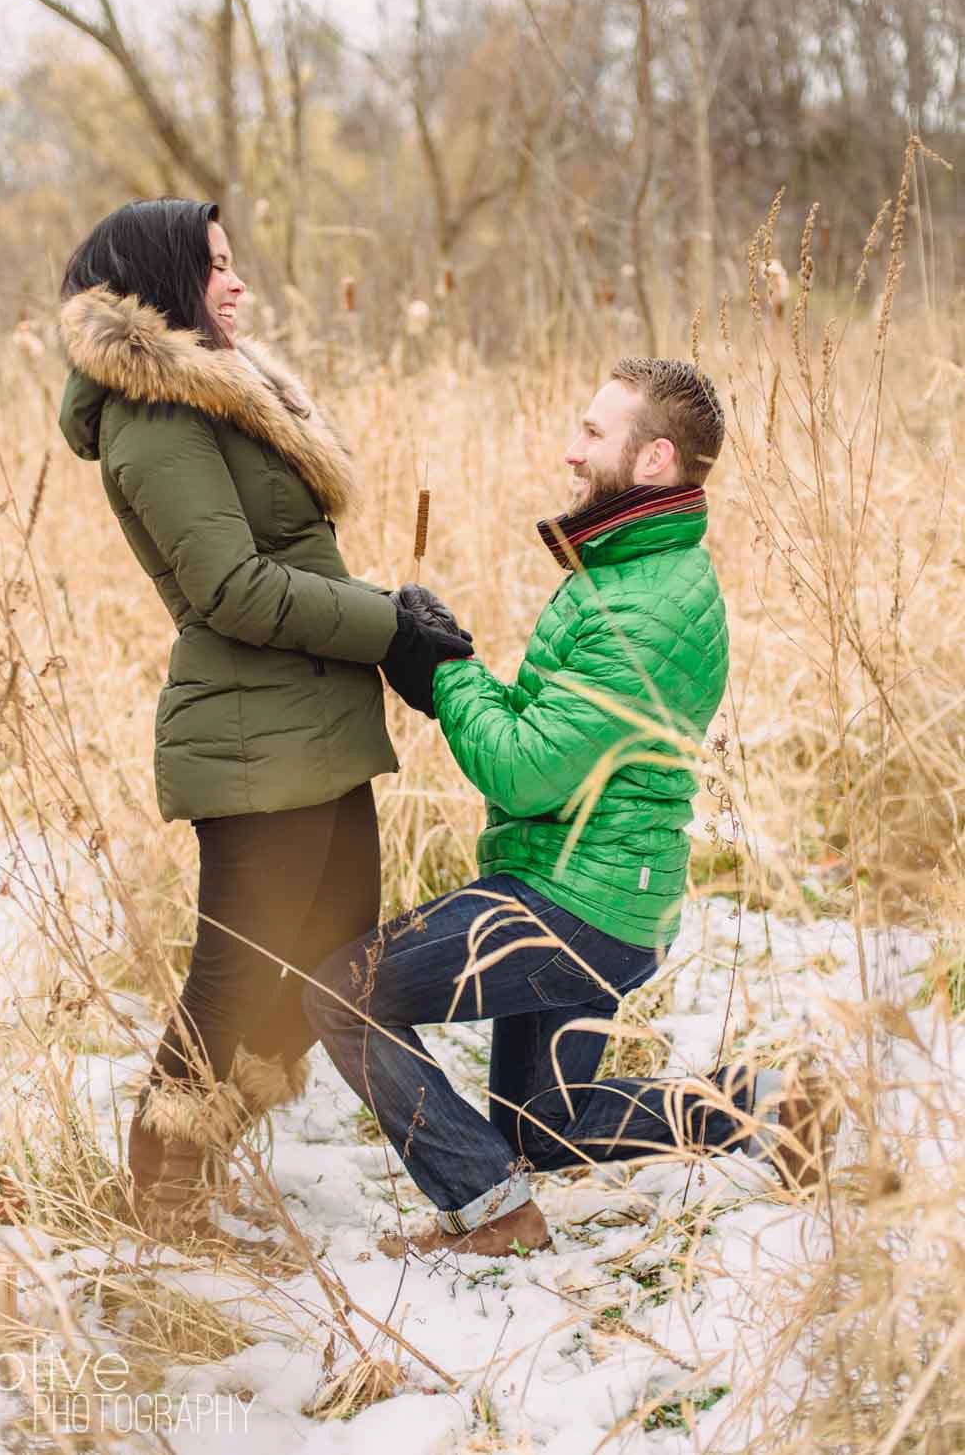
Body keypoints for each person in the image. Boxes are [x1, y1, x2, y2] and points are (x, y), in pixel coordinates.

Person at [307, 358, 825, 1260]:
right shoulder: (630, 573)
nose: (569, 452)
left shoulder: (647, 603)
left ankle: (489, 1212)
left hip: (575, 903)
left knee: (340, 990)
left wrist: (445, 672)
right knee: (543, 1124)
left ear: (655, 457)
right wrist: (450, 668)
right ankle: (766, 1106)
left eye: (593, 433)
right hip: (606, 893)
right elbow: (552, 734)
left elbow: (527, 773)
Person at [57, 198, 470, 1240]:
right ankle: (160, 1200)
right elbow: (233, 588)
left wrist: (388, 616)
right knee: (236, 983)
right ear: (161, 284)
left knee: (330, 972)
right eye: (217, 269)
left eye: (235, 265)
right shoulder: (154, 419)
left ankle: (195, 1167)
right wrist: (387, 620)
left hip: (313, 731)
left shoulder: (221, 399)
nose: (239, 285)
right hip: (251, 745)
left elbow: (285, 565)